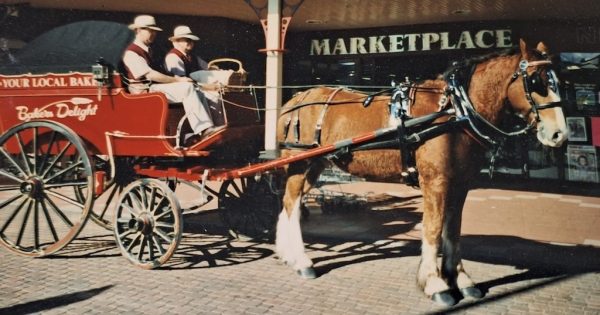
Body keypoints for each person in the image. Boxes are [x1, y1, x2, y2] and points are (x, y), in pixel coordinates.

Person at [121, 15, 222, 145]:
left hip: (154, 88)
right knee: (187, 88)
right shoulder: (132, 52)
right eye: (149, 30)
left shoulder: (150, 50)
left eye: (154, 31)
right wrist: (177, 80)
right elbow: (150, 75)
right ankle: (204, 129)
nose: (153, 34)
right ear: (137, 31)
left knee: (197, 91)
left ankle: (207, 129)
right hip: (144, 91)